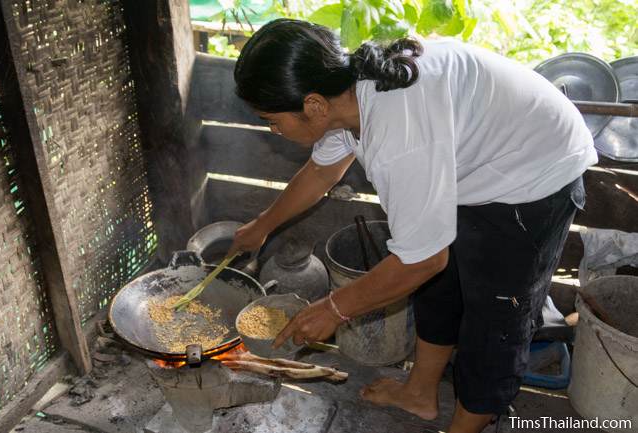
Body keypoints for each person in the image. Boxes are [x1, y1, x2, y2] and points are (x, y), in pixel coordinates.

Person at [228, 18, 597, 433]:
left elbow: (421, 261)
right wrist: (263, 224)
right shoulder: (347, 95)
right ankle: (420, 394)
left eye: (273, 120)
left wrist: (334, 308)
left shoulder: (398, 137)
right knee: (440, 286)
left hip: (536, 172)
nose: (273, 131)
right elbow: (321, 172)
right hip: (475, 166)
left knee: (495, 320)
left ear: (312, 105)